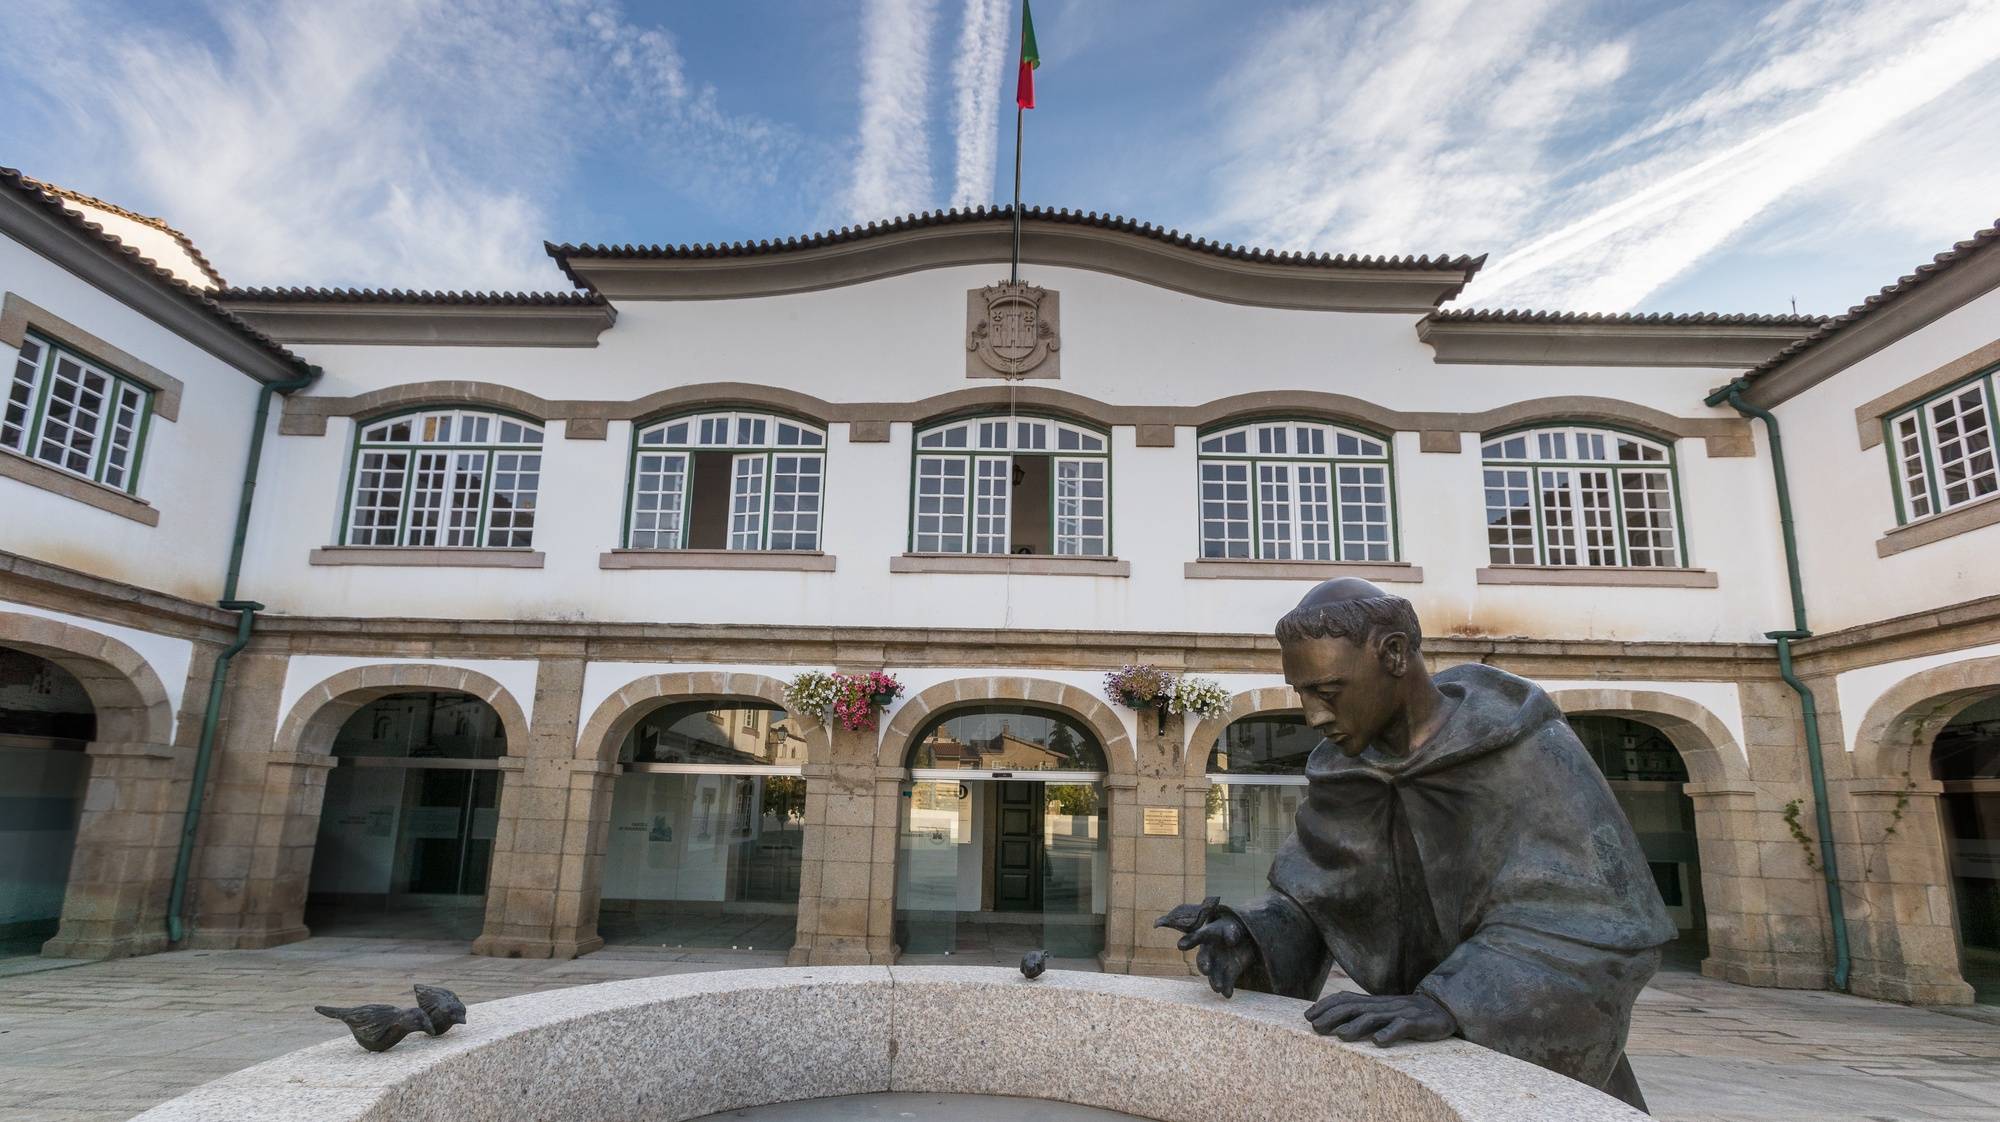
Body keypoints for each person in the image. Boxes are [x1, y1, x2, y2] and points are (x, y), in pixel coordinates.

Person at [1159, 578, 1673, 1111]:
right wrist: (1252, 933)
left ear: (1395, 654)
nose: (1313, 716)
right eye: (1303, 694)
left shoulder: (1527, 752)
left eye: (1329, 692)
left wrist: (1454, 1001)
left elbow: (1596, 925)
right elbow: (1317, 898)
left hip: (1527, 1075)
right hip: (1404, 1049)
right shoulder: (1343, 773)